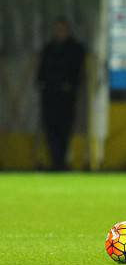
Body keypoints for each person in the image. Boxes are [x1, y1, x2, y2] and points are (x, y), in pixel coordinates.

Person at [37, 18, 85, 171]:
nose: (59, 32)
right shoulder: (49, 48)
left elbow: (78, 72)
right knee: (50, 129)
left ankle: (61, 161)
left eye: (62, 29)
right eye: (57, 29)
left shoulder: (75, 49)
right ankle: (55, 161)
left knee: (64, 129)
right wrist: (41, 83)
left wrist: (70, 85)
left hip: (66, 98)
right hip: (49, 96)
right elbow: (41, 70)